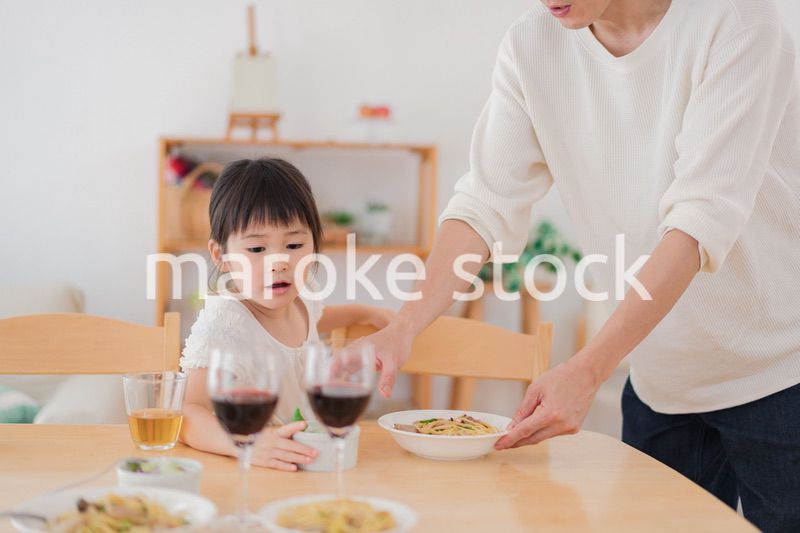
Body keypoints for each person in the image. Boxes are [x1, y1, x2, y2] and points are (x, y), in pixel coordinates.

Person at [368, 0, 800, 530]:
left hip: (779, 374)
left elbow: (699, 220)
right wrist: (404, 326)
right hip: (660, 378)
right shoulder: (534, 44)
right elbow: (485, 202)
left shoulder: (737, 22)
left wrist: (588, 368)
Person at [179, 158, 393, 471]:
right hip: (264, 471)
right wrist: (247, 445)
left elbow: (315, 319)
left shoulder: (301, 298)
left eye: (294, 244)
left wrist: (365, 311)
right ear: (220, 256)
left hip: (312, 463)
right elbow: (187, 410)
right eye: (256, 249)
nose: (279, 262)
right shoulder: (226, 321)